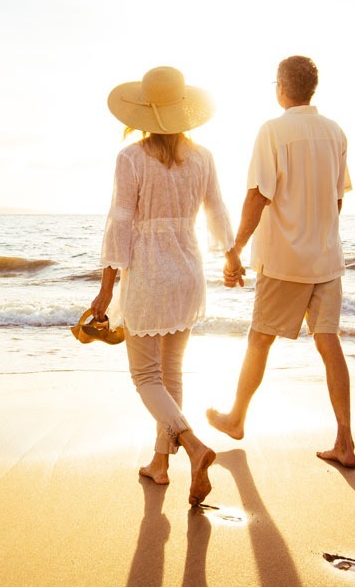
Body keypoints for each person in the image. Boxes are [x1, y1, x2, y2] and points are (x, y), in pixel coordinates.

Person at [91, 65, 235, 506]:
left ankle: (192, 445)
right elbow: (216, 210)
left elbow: (121, 223)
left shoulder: (132, 158)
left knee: (146, 376)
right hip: (188, 270)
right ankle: (160, 463)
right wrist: (230, 256)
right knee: (171, 372)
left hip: (151, 273)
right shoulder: (203, 157)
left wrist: (105, 288)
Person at [208, 55, 355, 467]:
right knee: (329, 345)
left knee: (260, 339)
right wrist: (321, 236)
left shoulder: (272, 131)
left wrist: (235, 251)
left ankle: (237, 418)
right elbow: (337, 199)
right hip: (326, 260)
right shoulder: (335, 133)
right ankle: (345, 441)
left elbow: (258, 195)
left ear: (281, 87)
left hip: (285, 261)